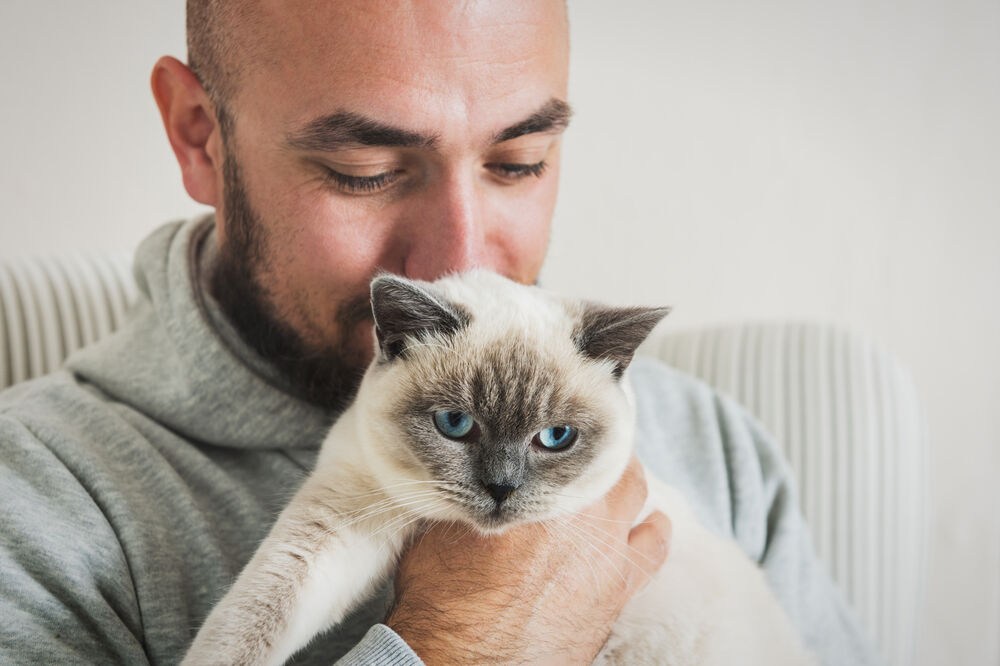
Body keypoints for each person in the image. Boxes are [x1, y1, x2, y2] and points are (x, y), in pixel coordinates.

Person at [0, 1, 879, 664]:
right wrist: (457, 645)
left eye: (518, 163)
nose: (458, 257)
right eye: (366, 171)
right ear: (201, 137)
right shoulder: (37, 503)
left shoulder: (716, 442)